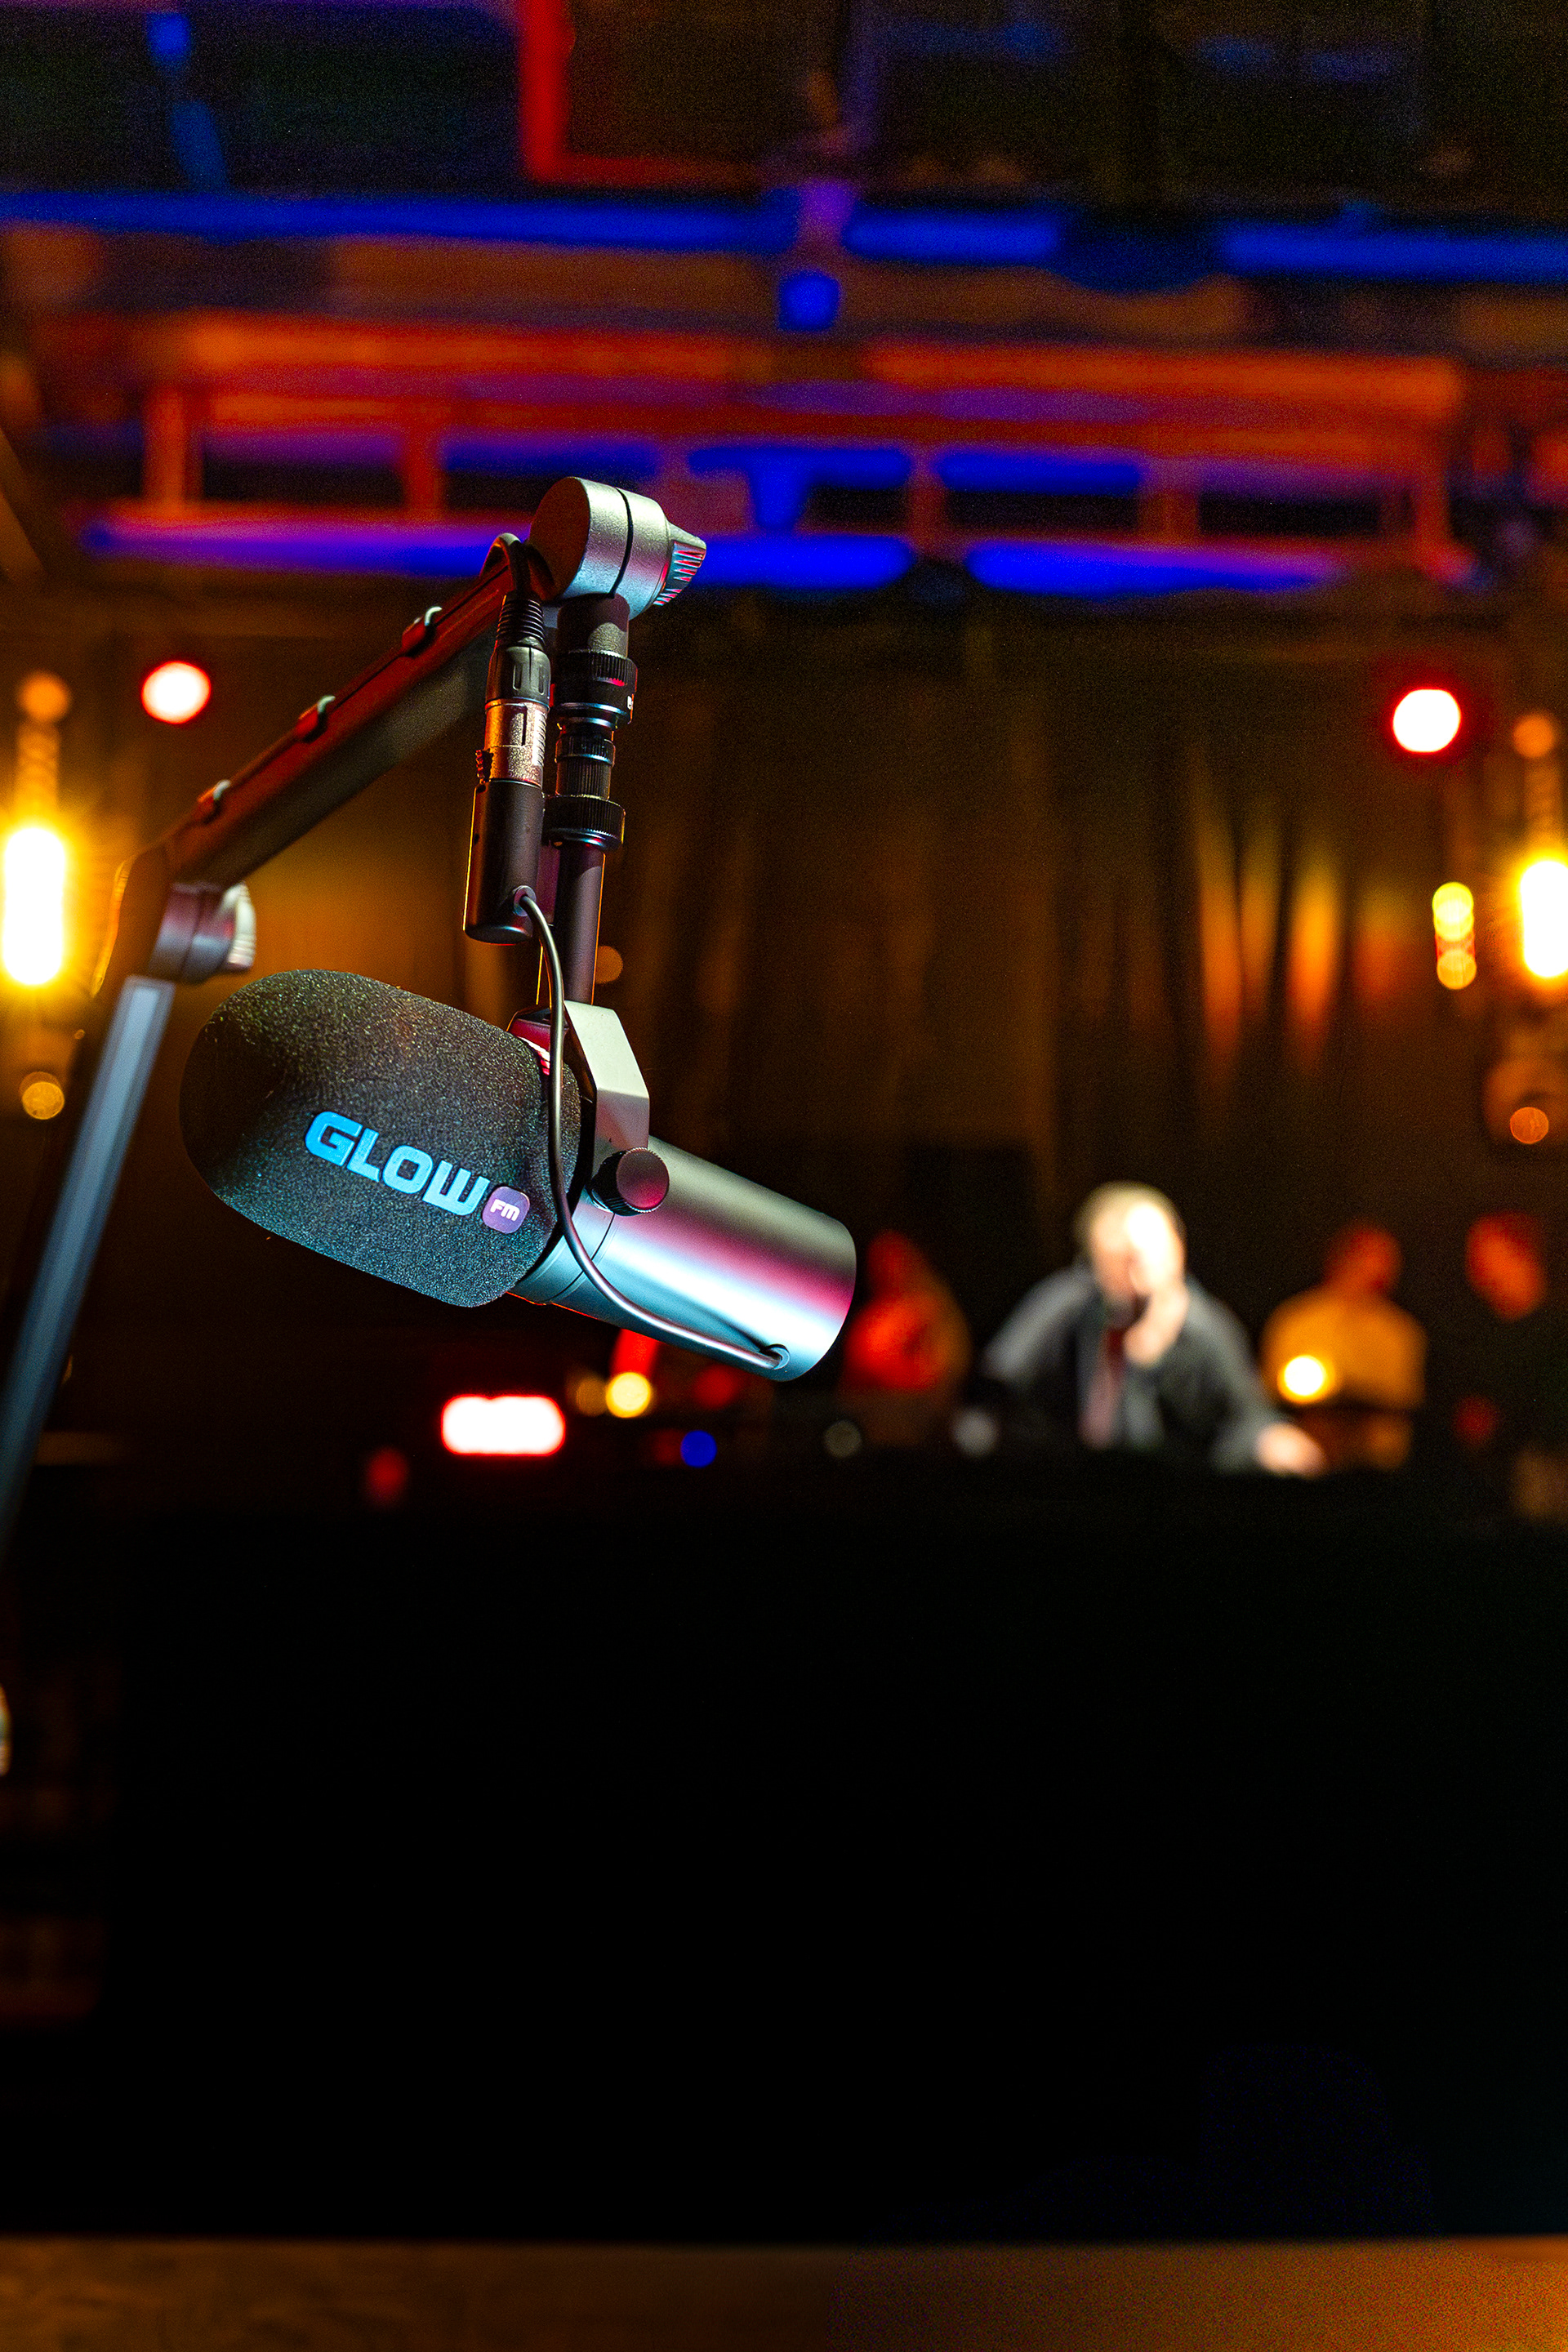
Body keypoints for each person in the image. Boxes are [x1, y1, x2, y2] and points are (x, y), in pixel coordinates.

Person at [980, 1183, 1324, 1474]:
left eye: (1148, 1254)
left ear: (1177, 1250)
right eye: (1120, 1258)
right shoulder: (1068, 1307)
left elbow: (1245, 1416)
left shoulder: (1206, 1328)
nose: (1135, 1273)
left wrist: (1268, 1441)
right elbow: (999, 1383)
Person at [1258, 1223, 1425, 1469]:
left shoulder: (1400, 1332)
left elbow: (1403, 1405)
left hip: (1373, 1468)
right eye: (1364, 1257)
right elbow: (1271, 1397)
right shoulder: (1296, 1321)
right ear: (1340, 1260)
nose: (1374, 1269)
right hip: (1303, 1459)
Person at [836, 1232, 972, 1448]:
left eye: (896, 1259)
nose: (889, 1268)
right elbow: (853, 1387)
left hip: (923, 1429)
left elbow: (949, 1369)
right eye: (881, 1261)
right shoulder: (872, 1321)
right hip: (877, 1432)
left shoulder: (935, 1310)